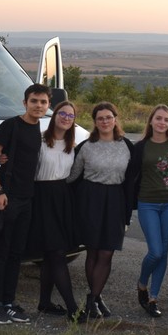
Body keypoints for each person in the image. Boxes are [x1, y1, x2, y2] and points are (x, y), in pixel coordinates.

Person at [0, 84, 49, 325]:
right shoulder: (10, 125)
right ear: (25, 103)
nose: (38, 106)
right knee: (1, 252)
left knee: (16, 254)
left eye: (43, 102)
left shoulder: (39, 128)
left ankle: (8, 303)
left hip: (27, 199)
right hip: (7, 199)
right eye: (34, 101)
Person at [67, 101, 133, 320]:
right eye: (100, 118)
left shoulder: (127, 145)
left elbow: (133, 178)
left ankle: (92, 298)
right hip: (90, 200)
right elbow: (72, 175)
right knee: (93, 251)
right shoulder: (86, 146)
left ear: (115, 119)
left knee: (107, 251)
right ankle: (95, 298)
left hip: (115, 200)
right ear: (95, 122)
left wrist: (129, 209)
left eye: (108, 117)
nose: (105, 121)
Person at [124, 104, 168, 318]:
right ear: (151, 121)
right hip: (147, 203)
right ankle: (142, 283)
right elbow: (131, 176)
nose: (162, 123)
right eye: (158, 118)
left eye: (166, 120)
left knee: (164, 252)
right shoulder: (140, 147)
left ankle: (153, 298)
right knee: (156, 251)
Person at [31, 100, 83, 321]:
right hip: (42, 198)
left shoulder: (73, 144)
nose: (66, 118)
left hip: (63, 199)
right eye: (63, 113)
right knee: (56, 254)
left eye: (71, 116)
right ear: (55, 115)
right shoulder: (40, 140)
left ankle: (44, 303)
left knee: (51, 255)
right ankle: (72, 308)